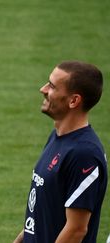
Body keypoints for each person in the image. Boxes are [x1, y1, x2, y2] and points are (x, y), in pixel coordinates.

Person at [13, 61, 108, 243]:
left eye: (52, 86)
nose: (43, 89)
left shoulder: (84, 154)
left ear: (74, 101)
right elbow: (40, 215)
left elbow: (76, 230)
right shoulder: (57, 138)